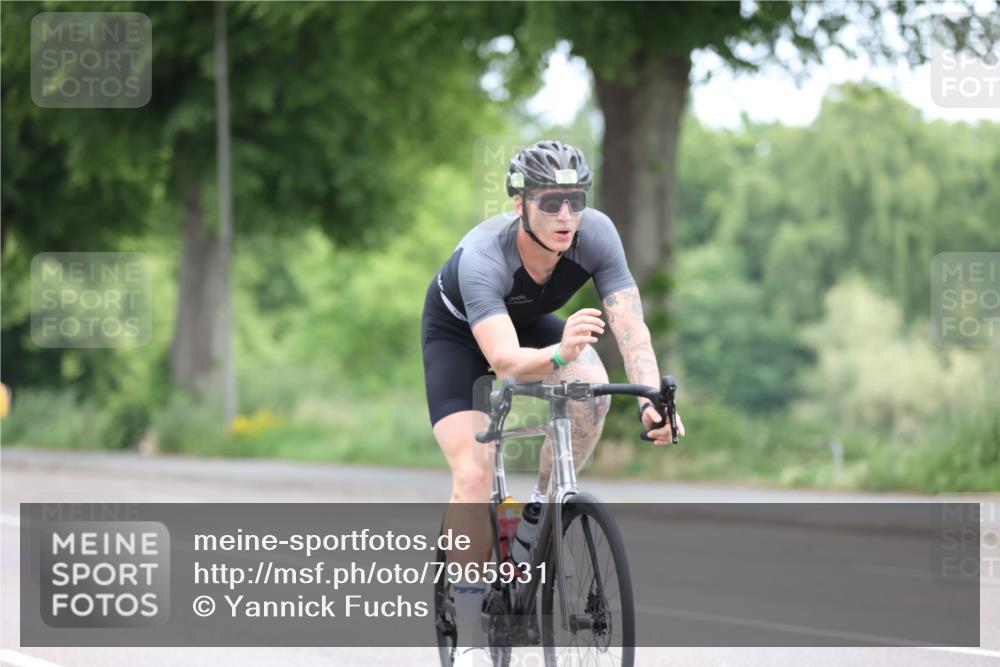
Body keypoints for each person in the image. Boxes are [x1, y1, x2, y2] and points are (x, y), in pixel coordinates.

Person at [421, 140, 685, 665]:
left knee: (592, 387)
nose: (566, 216)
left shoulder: (597, 234)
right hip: (461, 338)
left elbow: (631, 329)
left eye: (575, 200)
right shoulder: (483, 257)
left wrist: (652, 400)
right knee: (473, 474)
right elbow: (504, 361)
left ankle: (541, 508)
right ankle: (471, 634)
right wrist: (560, 354)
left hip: (530, 327)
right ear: (520, 204)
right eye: (550, 203)